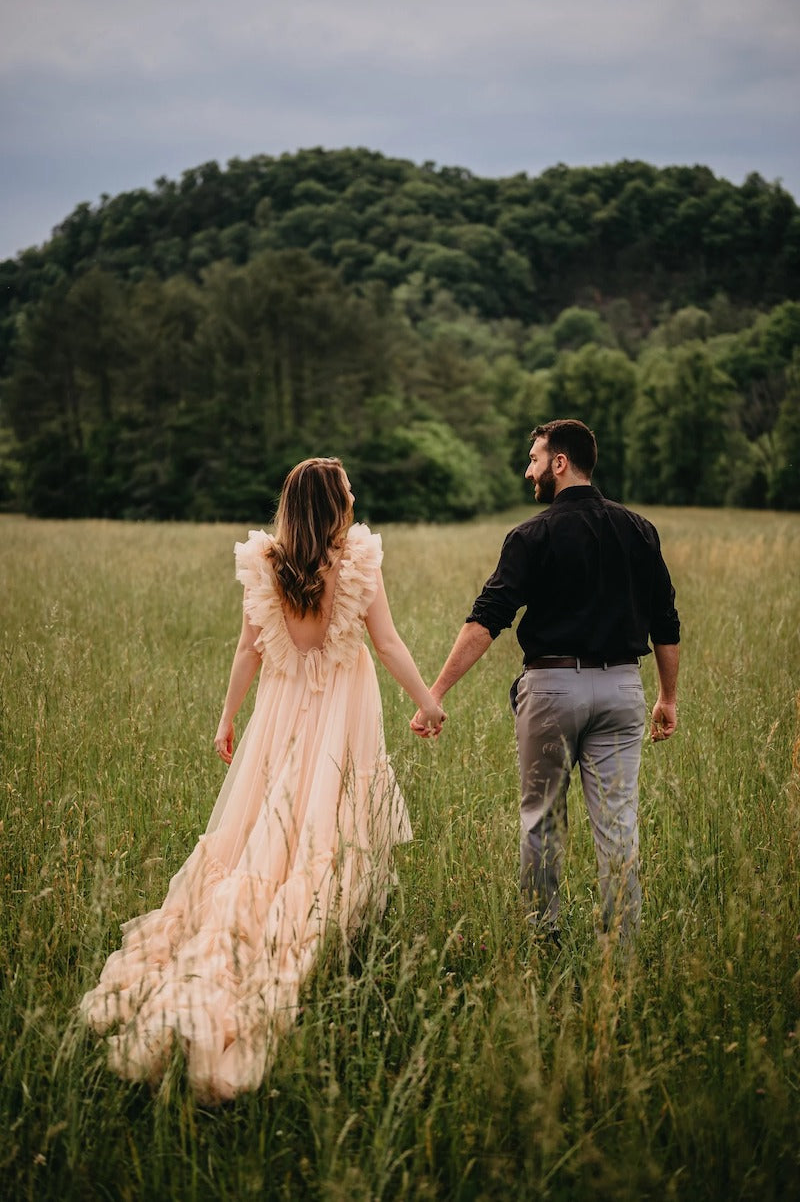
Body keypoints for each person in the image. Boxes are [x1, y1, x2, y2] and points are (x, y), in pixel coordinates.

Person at [81, 457, 445, 1102]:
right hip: (339, 713)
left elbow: (247, 649)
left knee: (263, 825)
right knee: (323, 819)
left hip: (278, 714)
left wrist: (226, 719)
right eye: (348, 490)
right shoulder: (355, 562)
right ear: (334, 503)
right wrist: (427, 701)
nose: (356, 496)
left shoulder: (266, 563)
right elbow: (386, 644)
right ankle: (317, 938)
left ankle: (239, 933)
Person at [412, 419, 679, 942]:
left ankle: (543, 939)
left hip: (553, 691)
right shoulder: (640, 530)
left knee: (541, 822)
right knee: (619, 827)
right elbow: (665, 622)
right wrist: (668, 697)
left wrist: (435, 693)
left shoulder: (531, 535)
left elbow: (487, 619)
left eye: (534, 459)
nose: (527, 470)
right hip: (624, 690)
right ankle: (619, 952)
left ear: (560, 463)